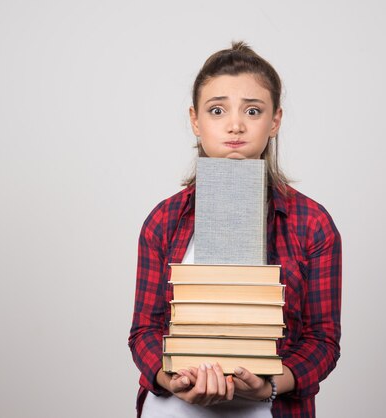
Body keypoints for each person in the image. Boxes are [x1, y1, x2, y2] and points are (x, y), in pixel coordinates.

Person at [128, 41, 342, 418]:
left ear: (275, 120)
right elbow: (144, 330)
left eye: (253, 110)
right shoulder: (164, 220)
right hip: (176, 409)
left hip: (268, 409)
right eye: (217, 110)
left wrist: (270, 383)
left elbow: (323, 340)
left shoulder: (312, 223)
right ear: (196, 120)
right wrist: (168, 377)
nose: (235, 125)